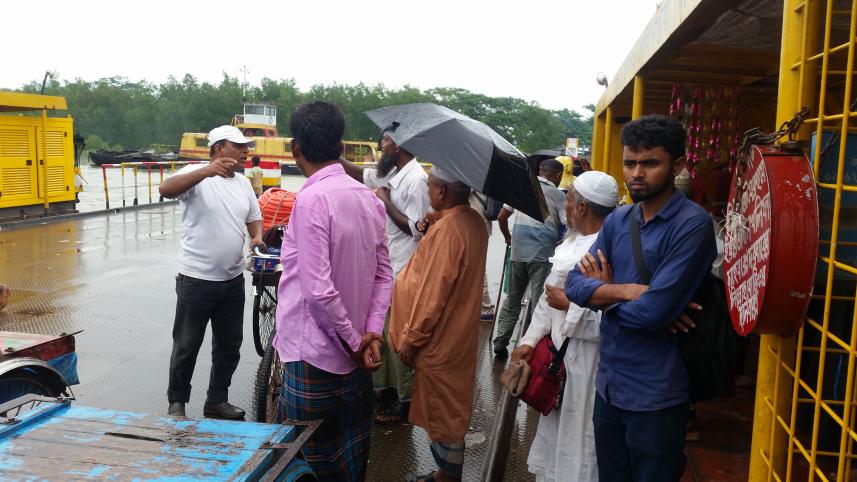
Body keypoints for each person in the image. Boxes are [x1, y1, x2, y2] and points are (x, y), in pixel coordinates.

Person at [565, 115, 717, 482]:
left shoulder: (692, 225)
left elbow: (652, 312)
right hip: (610, 386)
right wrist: (622, 291)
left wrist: (602, 299)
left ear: (677, 165)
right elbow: (573, 284)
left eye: (650, 163)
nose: (637, 173)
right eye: (630, 162)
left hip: (657, 393)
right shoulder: (619, 220)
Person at [274, 101, 393, 482]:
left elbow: (318, 291)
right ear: (341, 149)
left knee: (304, 463)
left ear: (295, 150)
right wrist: (369, 332)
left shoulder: (311, 199)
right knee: (350, 458)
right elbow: (384, 275)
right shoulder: (367, 198)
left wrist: (354, 340)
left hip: (315, 357)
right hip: (358, 358)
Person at [511, 171, 618, 482]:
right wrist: (530, 340)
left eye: (569, 199)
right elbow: (547, 300)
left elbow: (614, 315)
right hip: (558, 360)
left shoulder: (606, 248)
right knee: (559, 433)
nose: (566, 206)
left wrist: (570, 307)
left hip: (588, 362)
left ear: (581, 207)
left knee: (582, 438)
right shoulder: (571, 241)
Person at [388, 166, 488, 482]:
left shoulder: (449, 230)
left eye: (431, 187)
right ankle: (446, 471)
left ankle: (447, 476)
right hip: (459, 334)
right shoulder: (472, 221)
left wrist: (412, 338)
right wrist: (436, 220)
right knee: (451, 403)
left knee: (441, 407)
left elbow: (433, 293)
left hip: (439, 338)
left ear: (442, 192)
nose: (428, 192)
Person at [160, 124, 263, 420]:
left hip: (232, 281)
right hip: (196, 280)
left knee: (229, 346)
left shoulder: (243, 184)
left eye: (246, 147)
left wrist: (255, 237)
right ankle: (177, 403)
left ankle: (217, 400)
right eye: (239, 146)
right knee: (187, 345)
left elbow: (254, 218)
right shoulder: (195, 174)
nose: (246, 151)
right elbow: (165, 189)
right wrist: (207, 171)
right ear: (219, 148)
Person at [340, 127, 430, 424]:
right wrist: (334, 156)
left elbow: (417, 228)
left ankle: (405, 400)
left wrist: (385, 201)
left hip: (404, 267)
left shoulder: (416, 179)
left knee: (397, 336)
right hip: (387, 265)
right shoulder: (394, 171)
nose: (381, 144)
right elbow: (361, 175)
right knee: (384, 330)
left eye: (386, 140)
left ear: (401, 145)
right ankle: (387, 388)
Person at [493, 159, 567, 357]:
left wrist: (508, 237)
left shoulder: (522, 188)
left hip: (518, 251)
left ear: (540, 171)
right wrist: (560, 245)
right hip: (542, 254)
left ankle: (501, 341)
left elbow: (501, 217)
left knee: (513, 298)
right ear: (558, 175)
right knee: (539, 301)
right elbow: (569, 226)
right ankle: (531, 346)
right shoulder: (559, 196)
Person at [469, 191, 495, 321]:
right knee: (477, 265)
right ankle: (485, 307)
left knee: (477, 266)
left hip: (474, 223)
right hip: (481, 224)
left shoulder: (472, 177)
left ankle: (486, 307)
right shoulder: (487, 177)